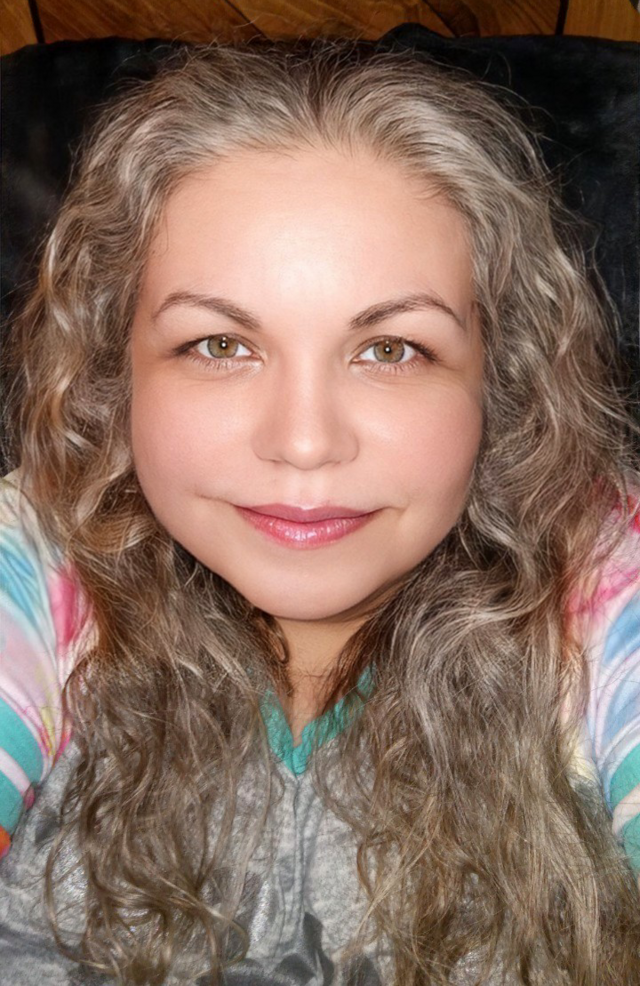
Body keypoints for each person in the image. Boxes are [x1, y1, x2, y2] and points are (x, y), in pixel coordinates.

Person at [0, 35, 638, 986]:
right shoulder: (42, 554)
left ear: (497, 381)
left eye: (391, 350)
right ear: (113, 371)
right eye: (219, 345)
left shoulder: (596, 575)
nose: (304, 442)